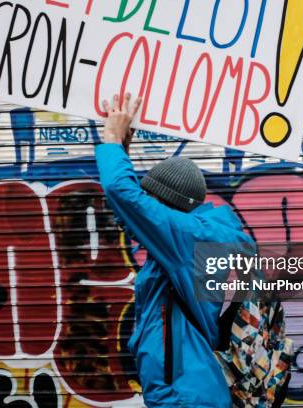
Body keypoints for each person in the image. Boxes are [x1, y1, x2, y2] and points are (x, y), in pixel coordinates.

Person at [94, 93, 257, 407]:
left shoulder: (190, 240)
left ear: (167, 205)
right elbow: (129, 215)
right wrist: (124, 149)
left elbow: (121, 193)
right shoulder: (186, 239)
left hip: (184, 395)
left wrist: (112, 140)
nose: (144, 208)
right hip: (184, 389)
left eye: (149, 200)